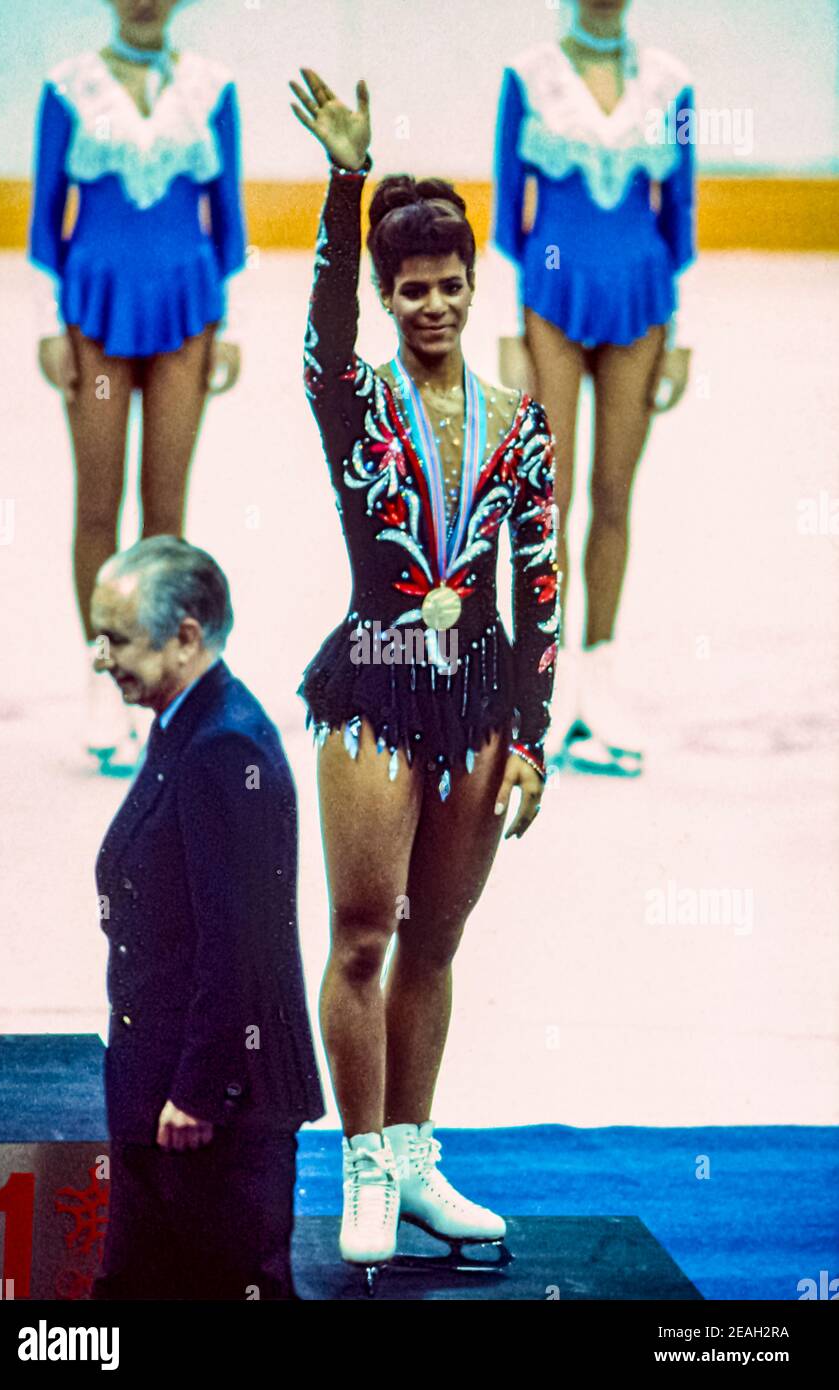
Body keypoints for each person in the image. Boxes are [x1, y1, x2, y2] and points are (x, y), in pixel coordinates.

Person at [289, 67, 560, 1268]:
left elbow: (539, 585)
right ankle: (358, 1162)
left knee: (433, 943)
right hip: (375, 687)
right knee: (360, 934)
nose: (435, 304)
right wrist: (348, 179)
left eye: (451, 285)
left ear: (470, 283)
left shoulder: (521, 419)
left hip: (478, 701)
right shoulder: (350, 399)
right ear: (390, 296)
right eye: (413, 290)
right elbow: (323, 319)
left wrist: (536, 731)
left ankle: (410, 1156)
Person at [89, 536, 324, 1300]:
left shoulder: (223, 746)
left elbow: (240, 946)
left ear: (185, 635)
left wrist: (198, 1091)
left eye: (116, 637)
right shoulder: (185, 722)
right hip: (167, 1084)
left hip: (213, 1110)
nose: (99, 657)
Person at [28, 0, 246, 772]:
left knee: (164, 509)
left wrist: (226, 323)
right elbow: (44, 219)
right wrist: (51, 324)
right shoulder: (69, 87)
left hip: (186, 313)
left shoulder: (213, 88)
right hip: (95, 310)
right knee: (98, 498)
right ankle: (105, 669)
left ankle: (163, 681)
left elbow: (229, 226)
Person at [492, 0, 696, 774]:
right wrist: (510, 332)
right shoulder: (528, 76)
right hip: (551, 297)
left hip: (641, 301)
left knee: (613, 493)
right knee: (550, 494)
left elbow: (681, 212)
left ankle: (600, 673)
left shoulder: (670, 84)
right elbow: (510, 214)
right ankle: (546, 677)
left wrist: (685, 335)